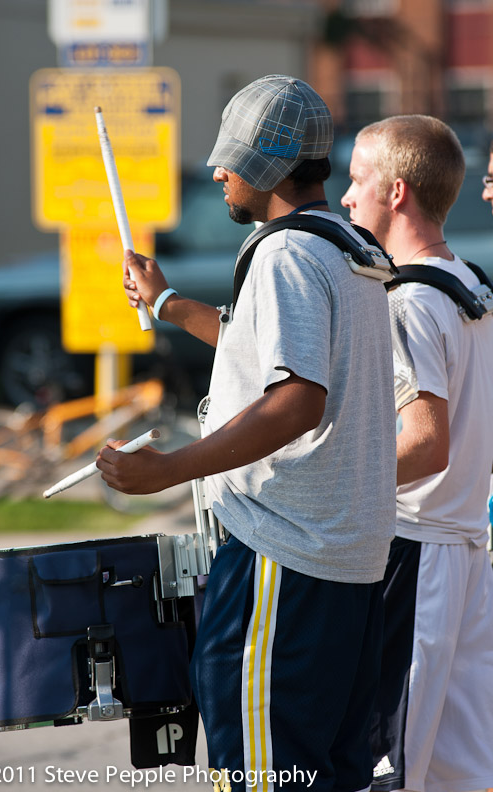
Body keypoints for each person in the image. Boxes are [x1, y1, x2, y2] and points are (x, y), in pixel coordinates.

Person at [97, 75, 397, 792]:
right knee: (329, 775)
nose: (216, 170)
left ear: (266, 162)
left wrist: (168, 470)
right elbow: (263, 347)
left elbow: (296, 397)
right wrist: (169, 302)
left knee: (265, 776)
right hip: (345, 565)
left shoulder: (286, 254)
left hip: (282, 561)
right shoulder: (345, 247)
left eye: (229, 156)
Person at [341, 115, 493, 792]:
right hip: (463, 552)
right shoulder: (471, 285)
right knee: (460, 768)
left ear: (396, 192)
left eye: (356, 180)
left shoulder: (406, 303)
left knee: (390, 765)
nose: (346, 198)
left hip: (415, 554)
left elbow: (424, 443)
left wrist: (331, 481)